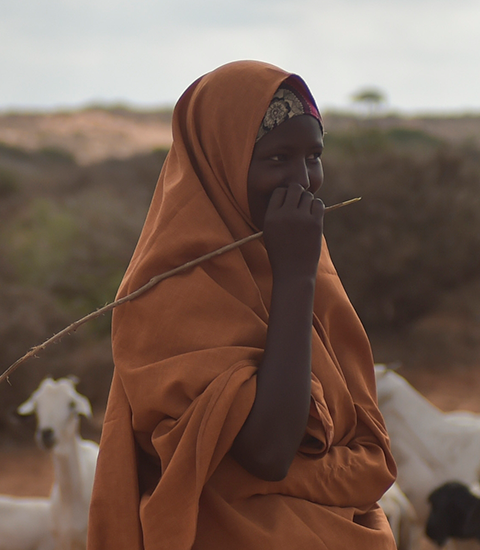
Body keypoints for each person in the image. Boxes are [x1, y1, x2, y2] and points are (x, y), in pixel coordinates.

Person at [88, 60, 398, 549]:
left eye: (313, 156)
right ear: (221, 164)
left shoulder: (318, 278)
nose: (303, 181)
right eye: (277, 159)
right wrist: (294, 277)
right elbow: (270, 451)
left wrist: (300, 273)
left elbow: (372, 454)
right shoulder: (168, 293)